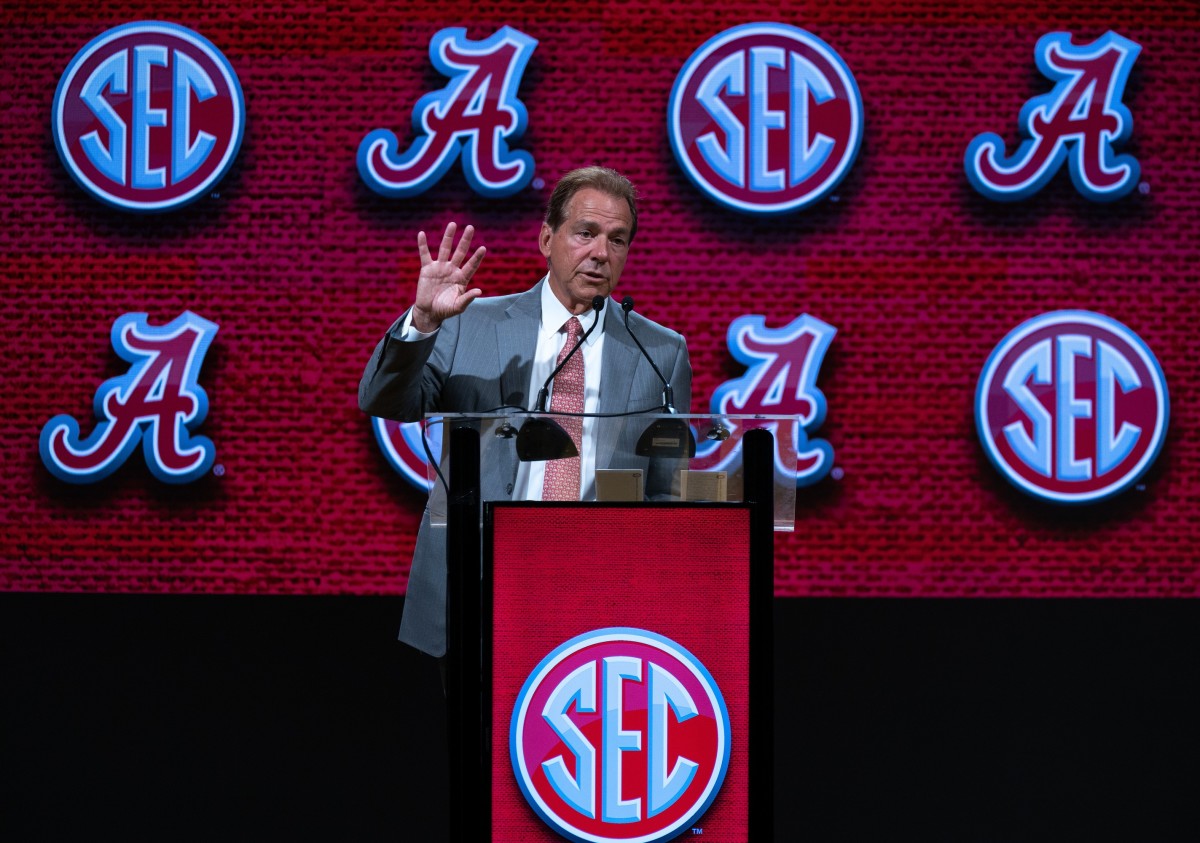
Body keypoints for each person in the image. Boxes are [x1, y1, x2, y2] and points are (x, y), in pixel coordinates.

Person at [359, 166, 692, 657]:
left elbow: (668, 491)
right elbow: (384, 400)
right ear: (546, 238)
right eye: (585, 233)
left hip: (597, 591)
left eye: (617, 240)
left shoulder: (660, 351)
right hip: (478, 577)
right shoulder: (468, 323)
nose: (601, 253)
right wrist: (424, 321)